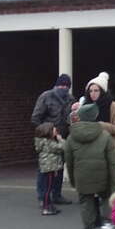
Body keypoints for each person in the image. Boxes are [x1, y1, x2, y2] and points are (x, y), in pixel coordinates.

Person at [64, 103, 115, 229]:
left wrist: (73, 179)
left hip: (82, 175)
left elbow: (69, 161)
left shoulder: (71, 137)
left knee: (86, 201)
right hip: (102, 174)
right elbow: (112, 161)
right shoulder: (105, 135)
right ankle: (107, 223)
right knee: (106, 197)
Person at [31, 74, 74, 205]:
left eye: (66, 86)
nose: (63, 88)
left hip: (62, 138)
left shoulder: (71, 99)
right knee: (44, 169)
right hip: (47, 139)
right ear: (56, 85)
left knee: (59, 167)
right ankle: (42, 196)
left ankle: (57, 195)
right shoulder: (46, 97)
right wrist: (47, 132)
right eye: (61, 85)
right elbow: (35, 118)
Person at [83, 72, 115, 160]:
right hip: (89, 149)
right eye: (90, 91)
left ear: (102, 91)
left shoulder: (112, 106)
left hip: (107, 148)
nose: (93, 93)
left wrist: (102, 125)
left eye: (96, 90)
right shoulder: (85, 107)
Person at [34, 123, 66, 216]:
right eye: (54, 130)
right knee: (48, 188)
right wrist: (60, 139)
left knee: (48, 187)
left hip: (47, 167)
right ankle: (46, 207)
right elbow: (62, 147)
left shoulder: (43, 141)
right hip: (49, 168)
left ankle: (49, 205)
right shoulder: (48, 142)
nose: (56, 131)